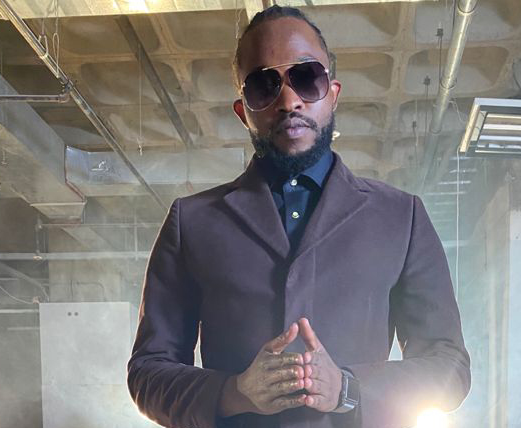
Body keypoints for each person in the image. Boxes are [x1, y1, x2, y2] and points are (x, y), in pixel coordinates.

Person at [127, 6, 470, 428]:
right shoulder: (192, 222)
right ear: (242, 110)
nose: (289, 101)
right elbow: (148, 372)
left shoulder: (401, 217)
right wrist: (234, 393)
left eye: (306, 78)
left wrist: (348, 389)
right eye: (263, 86)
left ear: (333, 93)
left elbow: (449, 366)